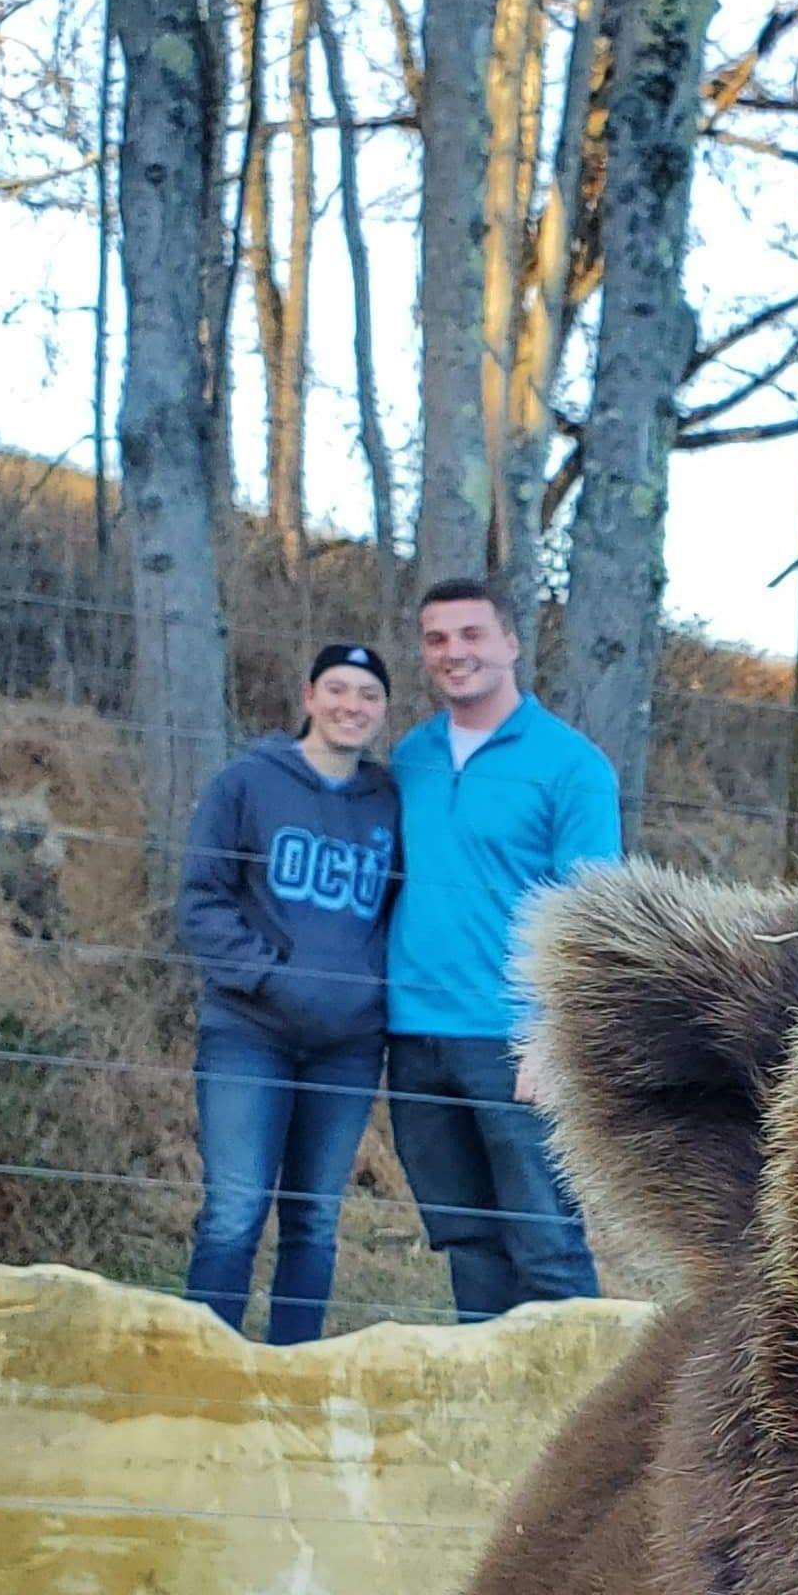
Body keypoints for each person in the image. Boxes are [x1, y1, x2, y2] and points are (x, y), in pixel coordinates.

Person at [382, 575, 622, 1318]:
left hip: (512, 1041)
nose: (455, 653)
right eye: (438, 638)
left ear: (512, 644)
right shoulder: (409, 758)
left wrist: (553, 1034)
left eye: (472, 634)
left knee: (544, 1241)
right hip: (416, 1035)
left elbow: (590, 912)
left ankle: (582, 1421)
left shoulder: (571, 765)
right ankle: (488, 1413)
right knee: (465, 1240)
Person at [172, 641, 402, 1344]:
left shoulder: (389, 801)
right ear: (308, 697)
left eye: (367, 696)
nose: (351, 706)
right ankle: (200, 1379)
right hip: (251, 1033)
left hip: (348, 1047)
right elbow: (201, 900)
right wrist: (267, 976)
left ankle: (290, 1377)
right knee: (236, 1210)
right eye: (337, 689)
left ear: (384, 711)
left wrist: (371, 990)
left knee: (314, 1218)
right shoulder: (248, 782)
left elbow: (403, 910)